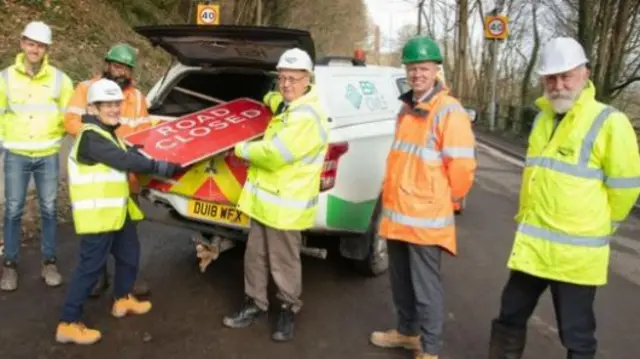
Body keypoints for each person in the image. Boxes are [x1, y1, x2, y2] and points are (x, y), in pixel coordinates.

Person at [487, 37, 640, 359]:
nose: (558, 85)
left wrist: (602, 225)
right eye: (551, 78)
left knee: (577, 335)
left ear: (585, 74)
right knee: (510, 315)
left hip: (575, 256)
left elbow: (625, 189)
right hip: (535, 249)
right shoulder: (543, 119)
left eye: (565, 76)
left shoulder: (610, 122)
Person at [369, 36, 477, 359]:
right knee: (401, 282)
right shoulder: (407, 108)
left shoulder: (448, 111)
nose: (417, 74)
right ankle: (406, 333)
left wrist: (450, 201)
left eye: (424, 68)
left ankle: (429, 349)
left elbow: (461, 167)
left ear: (436, 70)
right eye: (412, 68)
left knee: (426, 288)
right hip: (399, 213)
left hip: (426, 219)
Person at [55, 78, 181, 345]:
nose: (113, 109)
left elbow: (129, 151)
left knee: (130, 255)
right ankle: (68, 322)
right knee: (90, 269)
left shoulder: (109, 133)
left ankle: (122, 299)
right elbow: (124, 160)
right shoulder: (90, 137)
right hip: (98, 218)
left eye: (116, 103)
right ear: (93, 107)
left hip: (118, 213)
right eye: (107, 105)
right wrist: (161, 168)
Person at [221, 47, 329, 342]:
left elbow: (273, 154)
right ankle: (255, 303)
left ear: (308, 79)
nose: (286, 85)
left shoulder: (307, 116)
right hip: (264, 201)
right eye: (282, 78)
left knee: (283, 263)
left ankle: (287, 309)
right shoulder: (287, 103)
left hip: (286, 206)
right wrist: (263, 96)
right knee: (254, 256)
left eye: (293, 79)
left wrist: (239, 148)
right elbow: (274, 99)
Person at [64, 42, 153, 298]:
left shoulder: (136, 97)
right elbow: (70, 121)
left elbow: (144, 132)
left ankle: (128, 282)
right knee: (97, 235)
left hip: (126, 177)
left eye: (126, 68)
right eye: (116, 65)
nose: (120, 71)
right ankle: (96, 277)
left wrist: (132, 158)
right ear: (106, 64)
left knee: (127, 235)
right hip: (97, 176)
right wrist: (100, 147)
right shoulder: (85, 89)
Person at [0, 21, 74, 292]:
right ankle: (9, 265)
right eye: (30, 43)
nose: (35, 49)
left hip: (47, 154)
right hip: (16, 154)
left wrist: (58, 137)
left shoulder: (60, 80)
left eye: (40, 45)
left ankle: (49, 262)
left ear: (47, 49)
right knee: (13, 209)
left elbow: (71, 115)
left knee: (49, 209)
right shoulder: (5, 78)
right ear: (22, 44)